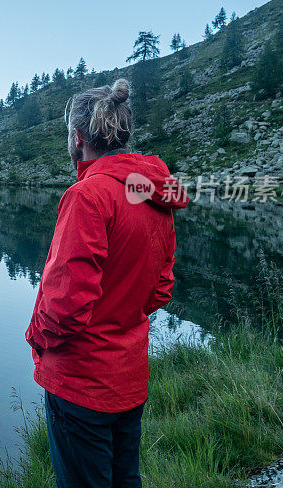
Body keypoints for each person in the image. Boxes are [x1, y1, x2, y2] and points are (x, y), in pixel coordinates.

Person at [25, 79, 189, 488]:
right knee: (123, 480)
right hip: (128, 377)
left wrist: (37, 340)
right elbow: (161, 289)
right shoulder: (149, 194)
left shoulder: (88, 195)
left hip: (81, 384)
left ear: (78, 138)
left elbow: (65, 306)